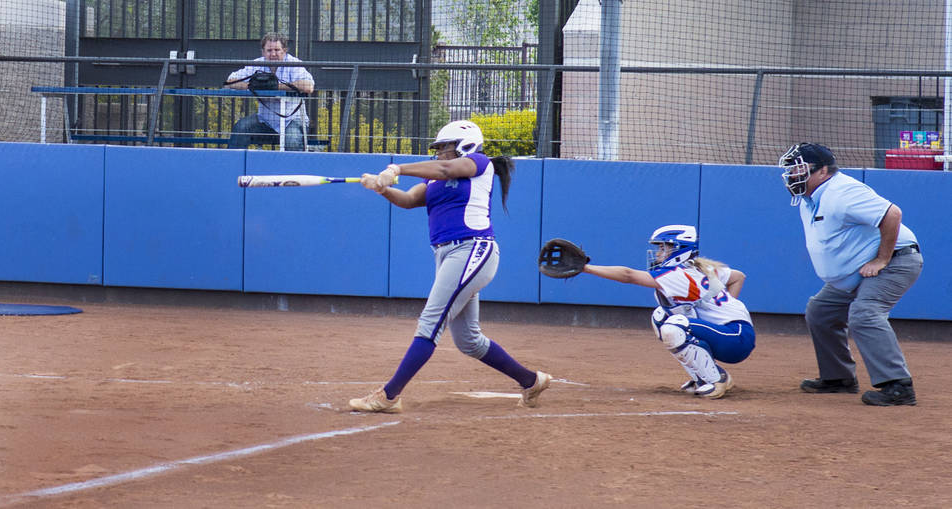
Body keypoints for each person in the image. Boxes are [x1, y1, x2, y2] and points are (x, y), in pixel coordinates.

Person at [348, 120, 551, 413]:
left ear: (464, 145)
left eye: (444, 147)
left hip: (472, 249)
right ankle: (531, 381)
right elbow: (407, 200)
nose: (439, 154)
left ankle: (388, 396)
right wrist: (380, 188)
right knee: (469, 341)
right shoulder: (433, 179)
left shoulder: (479, 163)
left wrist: (397, 169)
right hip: (447, 255)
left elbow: (445, 170)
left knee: (430, 323)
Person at [779, 143, 922, 406]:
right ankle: (839, 378)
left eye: (799, 169)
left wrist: (882, 259)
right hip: (855, 272)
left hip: (896, 261)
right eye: (791, 170)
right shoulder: (809, 198)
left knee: (865, 313)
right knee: (820, 312)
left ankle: (898, 386)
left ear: (822, 171)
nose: (792, 176)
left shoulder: (842, 191)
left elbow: (892, 214)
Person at [573, 225, 754, 399]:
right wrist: (727, 307)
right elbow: (738, 277)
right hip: (730, 334)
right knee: (661, 317)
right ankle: (704, 376)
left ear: (679, 249)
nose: (659, 253)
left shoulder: (677, 274)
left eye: (664, 247)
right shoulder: (698, 268)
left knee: (674, 326)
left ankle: (717, 380)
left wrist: (585, 268)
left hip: (736, 338)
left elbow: (628, 275)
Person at [224, 32, 314, 151]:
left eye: (277, 50)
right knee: (241, 127)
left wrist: (276, 87)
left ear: (284, 50)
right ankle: (233, 166)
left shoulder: (294, 64)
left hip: (292, 120)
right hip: (265, 120)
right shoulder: (257, 64)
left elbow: (309, 86)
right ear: (263, 51)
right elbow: (230, 81)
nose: (273, 54)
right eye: (269, 50)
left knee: (291, 140)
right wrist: (252, 86)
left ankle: (292, 170)